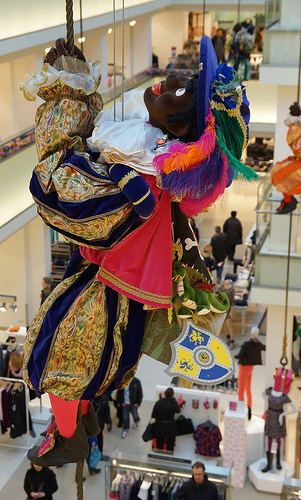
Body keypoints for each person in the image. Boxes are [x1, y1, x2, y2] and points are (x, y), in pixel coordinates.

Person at [20, 36, 256, 467]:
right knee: (82, 362)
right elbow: (83, 160)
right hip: (112, 287)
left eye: (181, 90)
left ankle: (69, 435)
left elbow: (55, 188)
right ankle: (77, 422)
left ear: (181, 130)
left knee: (62, 357)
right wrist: (73, 88)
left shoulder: (139, 180)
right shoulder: (146, 160)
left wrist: (67, 91)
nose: (170, 78)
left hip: (109, 288)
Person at [271, 101, 301, 214]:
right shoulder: (296, 127)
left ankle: (289, 201)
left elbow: (297, 148)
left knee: (279, 174)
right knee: (278, 170)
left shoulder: (295, 128)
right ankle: (288, 200)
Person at [261, 387, 296, 472]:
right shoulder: (270, 390)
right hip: (270, 416)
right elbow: (262, 393)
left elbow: (294, 409)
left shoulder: (283, 395)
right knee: (269, 438)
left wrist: (282, 415)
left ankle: (278, 462)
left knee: (278, 439)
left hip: (278, 418)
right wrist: (267, 404)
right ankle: (269, 464)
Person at [234, 327, 266, 420]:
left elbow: (239, 355)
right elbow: (264, 347)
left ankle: (240, 410)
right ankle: (249, 409)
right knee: (248, 389)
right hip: (250, 368)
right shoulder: (258, 344)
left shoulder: (246, 344)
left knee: (241, 390)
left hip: (243, 368)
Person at [8, 351, 36, 437]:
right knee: (12, 410)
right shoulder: (9, 366)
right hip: (10, 390)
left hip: (22, 392)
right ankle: (16, 429)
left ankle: (30, 427)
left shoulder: (25, 368)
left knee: (24, 409)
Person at [151, 387, 180, 453]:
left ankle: (159, 458)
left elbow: (153, 415)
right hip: (171, 426)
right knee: (170, 446)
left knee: (159, 445)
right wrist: (174, 400)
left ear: (165, 394)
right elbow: (178, 411)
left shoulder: (159, 403)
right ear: (173, 395)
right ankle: (169, 458)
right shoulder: (174, 403)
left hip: (160, 426)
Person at [220, 279, 235, 349]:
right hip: (223, 308)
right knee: (225, 324)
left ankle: (232, 341)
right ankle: (228, 337)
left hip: (228, 308)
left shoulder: (232, 289)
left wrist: (232, 311)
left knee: (229, 325)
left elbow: (232, 301)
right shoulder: (222, 288)